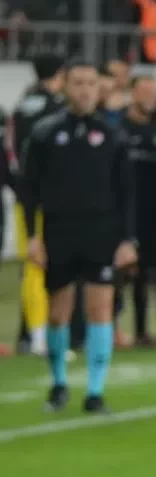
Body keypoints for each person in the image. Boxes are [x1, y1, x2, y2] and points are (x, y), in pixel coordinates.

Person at [23, 60, 137, 414]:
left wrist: (127, 239)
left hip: (101, 231)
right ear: (65, 86)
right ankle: (58, 383)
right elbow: (29, 189)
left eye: (90, 83)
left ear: (99, 88)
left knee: (100, 308)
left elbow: (126, 192)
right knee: (59, 313)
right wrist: (33, 236)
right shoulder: (45, 133)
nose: (85, 89)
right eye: (78, 82)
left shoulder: (113, 135)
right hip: (59, 230)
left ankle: (95, 392)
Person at [12, 53, 66, 357]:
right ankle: (43, 336)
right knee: (48, 265)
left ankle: (33, 335)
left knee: (32, 266)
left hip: (25, 196)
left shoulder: (21, 105)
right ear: (59, 74)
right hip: (52, 198)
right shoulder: (57, 109)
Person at [118, 74, 156, 346]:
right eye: (144, 92)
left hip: (153, 214)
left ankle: (141, 331)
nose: (150, 98)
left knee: (146, 273)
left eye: (154, 93)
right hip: (123, 211)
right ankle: (110, 326)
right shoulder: (118, 128)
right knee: (120, 271)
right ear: (133, 94)